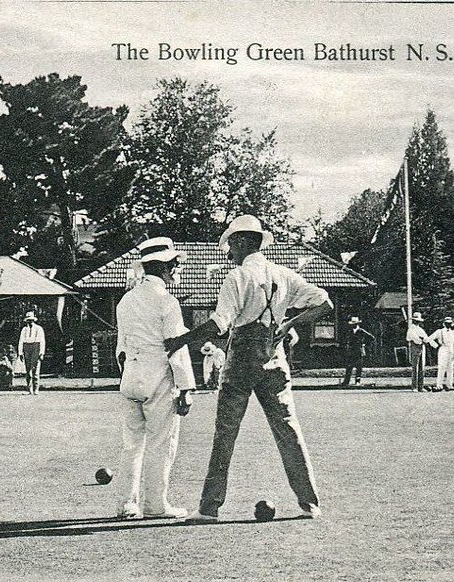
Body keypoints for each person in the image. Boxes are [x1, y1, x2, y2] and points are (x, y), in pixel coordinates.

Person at [164, 214, 333, 522]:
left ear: (241, 242)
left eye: (230, 245)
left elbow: (218, 323)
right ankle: (310, 504)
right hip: (275, 357)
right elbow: (325, 303)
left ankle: (209, 508)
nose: (228, 252)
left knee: (225, 434)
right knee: (288, 430)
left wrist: (179, 341)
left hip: (242, 360)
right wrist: (289, 324)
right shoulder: (283, 274)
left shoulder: (237, 277)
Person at [115, 237, 196, 520]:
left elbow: (121, 348)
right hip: (158, 375)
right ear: (164, 267)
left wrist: (128, 372)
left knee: (131, 444)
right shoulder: (167, 301)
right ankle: (155, 506)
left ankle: (127, 504)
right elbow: (175, 346)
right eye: (175, 265)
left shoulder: (126, 300)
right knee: (161, 443)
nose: (177, 270)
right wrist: (185, 387)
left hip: (130, 376)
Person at [18, 311, 46, 395]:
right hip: (27, 347)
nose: (30, 322)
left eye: (31, 320)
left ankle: (36, 388)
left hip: (35, 347)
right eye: (28, 320)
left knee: (35, 369)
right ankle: (29, 389)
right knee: (28, 370)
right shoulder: (24, 330)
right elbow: (21, 341)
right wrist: (20, 353)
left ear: (33, 320)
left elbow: (42, 341)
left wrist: (41, 353)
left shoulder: (38, 328)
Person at [427, 316, 454, 392]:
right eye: (447, 323)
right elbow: (429, 339)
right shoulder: (439, 331)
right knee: (441, 368)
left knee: (450, 368)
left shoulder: (452, 332)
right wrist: (436, 345)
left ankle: (449, 385)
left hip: (451, 350)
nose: (448, 325)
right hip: (443, 350)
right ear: (444, 324)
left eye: (450, 323)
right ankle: (439, 385)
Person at [341, 316, 374, 386]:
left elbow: (371, 338)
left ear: (357, 324)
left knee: (359, 367)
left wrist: (364, 344)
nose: (353, 325)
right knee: (349, 367)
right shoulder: (350, 331)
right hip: (351, 351)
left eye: (355, 324)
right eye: (352, 324)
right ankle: (346, 381)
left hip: (359, 351)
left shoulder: (361, 331)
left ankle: (357, 381)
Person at [405, 312, 428, 392]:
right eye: (416, 320)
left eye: (418, 321)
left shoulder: (420, 329)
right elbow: (413, 338)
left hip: (422, 347)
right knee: (415, 367)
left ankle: (421, 386)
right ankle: (414, 386)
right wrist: (421, 339)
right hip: (415, 347)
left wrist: (424, 340)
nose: (417, 322)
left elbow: (426, 337)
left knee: (422, 367)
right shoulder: (411, 328)